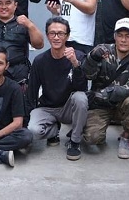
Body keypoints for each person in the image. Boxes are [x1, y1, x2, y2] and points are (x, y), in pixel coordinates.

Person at [82, 17, 129, 159]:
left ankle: (126, 136)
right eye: (120, 35)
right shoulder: (103, 50)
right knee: (92, 139)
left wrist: (106, 93)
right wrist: (92, 57)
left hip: (121, 105)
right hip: (101, 106)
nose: (123, 40)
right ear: (114, 36)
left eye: (128, 36)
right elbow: (88, 75)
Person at [26, 17, 87, 161]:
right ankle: (54, 130)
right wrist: (26, 119)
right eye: (52, 33)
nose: (56, 37)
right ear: (47, 35)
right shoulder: (40, 60)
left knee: (80, 98)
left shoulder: (78, 56)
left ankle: (75, 141)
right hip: (48, 107)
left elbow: (82, 88)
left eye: (60, 33)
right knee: (33, 131)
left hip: (68, 108)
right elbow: (31, 92)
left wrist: (75, 64)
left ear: (67, 36)